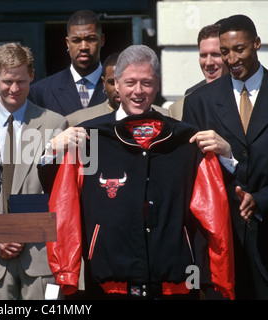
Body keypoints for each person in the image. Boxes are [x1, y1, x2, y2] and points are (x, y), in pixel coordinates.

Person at [39, 44, 236, 300]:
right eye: (130, 82)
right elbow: (62, 206)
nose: (138, 91)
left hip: (174, 282)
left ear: (157, 84)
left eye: (146, 83)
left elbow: (215, 212)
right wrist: (67, 273)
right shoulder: (88, 139)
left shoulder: (186, 140)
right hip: (107, 283)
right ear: (116, 84)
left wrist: (221, 280)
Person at [0, 42, 74, 300]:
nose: (14, 89)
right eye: (7, 81)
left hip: (41, 254)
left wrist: (21, 231)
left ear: (32, 76)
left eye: (21, 81)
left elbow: (59, 193)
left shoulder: (55, 124)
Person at [182, 14, 268, 299]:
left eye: (239, 49)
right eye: (225, 52)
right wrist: (230, 159)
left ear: (256, 43)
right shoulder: (199, 102)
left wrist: (262, 198)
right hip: (222, 244)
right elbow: (194, 176)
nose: (231, 59)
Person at [28, 9, 107, 116]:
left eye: (90, 39)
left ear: (102, 40)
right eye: (76, 40)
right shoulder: (40, 92)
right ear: (68, 43)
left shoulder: (120, 88)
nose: (83, 47)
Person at [169, 22, 229, 120]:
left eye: (215, 54)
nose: (208, 62)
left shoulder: (244, 92)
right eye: (203, 55)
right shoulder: (191, 95)